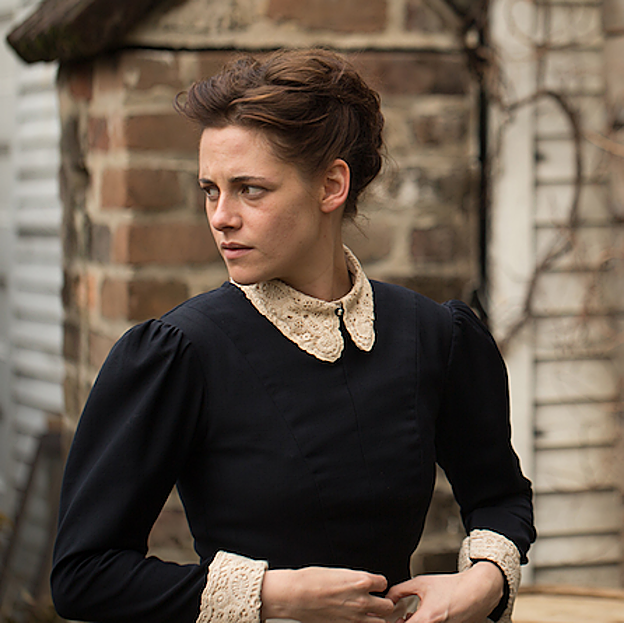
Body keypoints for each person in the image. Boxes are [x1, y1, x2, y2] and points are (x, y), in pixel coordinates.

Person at [50, 48, 535, 623]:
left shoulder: (433, 335)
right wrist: (273, 593)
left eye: (250, 189)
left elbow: (499, 497)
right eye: (210, 189)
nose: (221, 216)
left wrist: (482, 582)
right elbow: (84, 573)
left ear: (331, 186)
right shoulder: (180, 352)